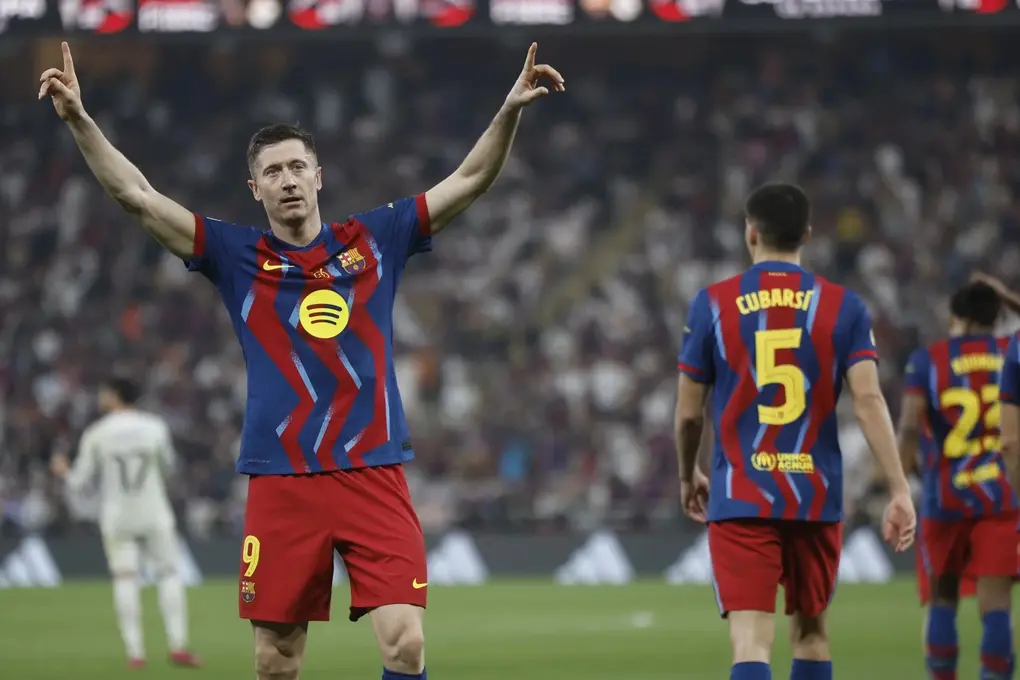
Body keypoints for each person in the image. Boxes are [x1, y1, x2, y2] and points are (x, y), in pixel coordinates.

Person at [39, 40, 564, 680]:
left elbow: (470, 179)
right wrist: (80, 121)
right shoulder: (235, 256)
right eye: (273, 171)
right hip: (282, 479)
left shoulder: (376, 238)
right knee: (276, 661)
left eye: (297, 167)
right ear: (254, 187)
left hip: (372, 469)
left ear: (318, 176)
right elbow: (140, 198)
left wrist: (508, 110)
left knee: (406, 645)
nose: (287, 179)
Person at [674, 182, 916, 680]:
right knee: (811, 636)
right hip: (814, 495)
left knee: (750, 642)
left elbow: (689, 414)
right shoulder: (845, 307)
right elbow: (869, 401)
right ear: (806, 234)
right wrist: (898, 487)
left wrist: (686, 473)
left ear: (750, 233)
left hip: (741, 494)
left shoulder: (713, 304)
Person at [898, 280, 1018, 680]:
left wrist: (902, 483)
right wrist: (1006, 296)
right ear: (998, 315)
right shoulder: (1011, 352)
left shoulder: (928, 360)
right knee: (997, 606)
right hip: (1002, 497)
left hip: (945, 497)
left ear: (959, 320)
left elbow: (911, 427)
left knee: (942, 600)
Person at [51, 376, 199, 669]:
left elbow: (80, 481)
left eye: (105, 392)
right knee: (169, 574)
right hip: (154, 511)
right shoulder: (155, 427)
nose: (101, 396)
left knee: (125, 578)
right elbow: (169, 467)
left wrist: (63, 471)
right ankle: (178, 646)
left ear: (115, 396)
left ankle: (135, 652)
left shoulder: (97, 433)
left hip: (117, 515)